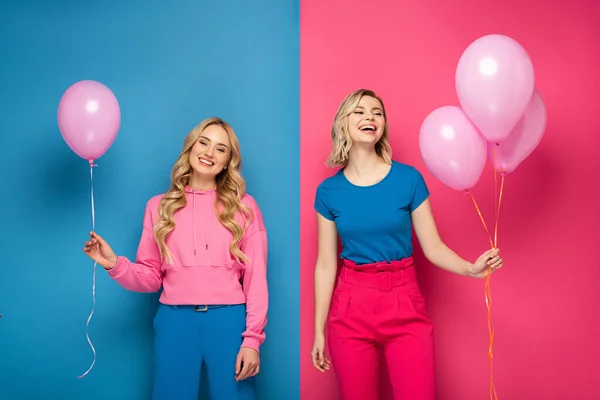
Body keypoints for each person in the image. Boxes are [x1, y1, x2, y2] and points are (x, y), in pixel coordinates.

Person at [310, 89, 503, 400]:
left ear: (383, 125)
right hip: (350, 309)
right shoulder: (328, 191)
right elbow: (326, 264)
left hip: (404, 301)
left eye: (377, 112)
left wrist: (471, 269)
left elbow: (433, 247)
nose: (369, 117)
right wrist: (319, 331)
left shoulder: (408, 180)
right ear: (343, 122)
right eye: (359, 111)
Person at [83, 117, 268, 400]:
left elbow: (256, 282)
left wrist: (252, 339)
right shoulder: (159, 207)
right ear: (190, 147)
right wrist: (112, 263)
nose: (209, 153)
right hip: (174, 322)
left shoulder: (245, 208)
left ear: (228, 161)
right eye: (203, 143)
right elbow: (149, 277)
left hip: (229, 323)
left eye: (220, 149)